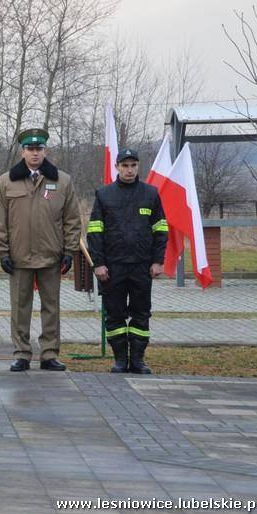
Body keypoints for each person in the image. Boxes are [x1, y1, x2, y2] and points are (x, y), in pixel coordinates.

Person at [0, 128, 82, 371]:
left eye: (39, 149)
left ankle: (50, 354)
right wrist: (2, 252)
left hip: (51, 256)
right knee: (20, 308)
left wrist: (69, 251)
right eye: (30, 149)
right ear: (23, 152)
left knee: (51, 308)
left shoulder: (62, 181)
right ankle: (21, 353)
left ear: (45, 151)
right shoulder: (6, 181)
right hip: (18, 258)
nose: (34, 153)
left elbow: (72, 219)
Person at [87, 148, 167, 374]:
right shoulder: (104, 195)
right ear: (117, 167)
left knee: (141, 313)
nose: (129, 170)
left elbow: (161, 229)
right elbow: (95, 232)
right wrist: (98, 263)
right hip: (113, 267)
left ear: (138, 166)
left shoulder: (150, 194)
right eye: (125, 165)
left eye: (133, 165)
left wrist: (158, 260)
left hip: (142, 266)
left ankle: (138, 361)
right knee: (115, 314)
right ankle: (120, 360)